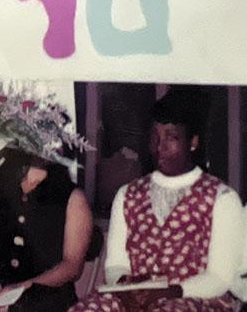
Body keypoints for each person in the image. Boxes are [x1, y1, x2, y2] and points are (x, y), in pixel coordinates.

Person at [70, 89, 243, 311]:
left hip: (194, 298)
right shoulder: (127, 195)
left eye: (172, 137)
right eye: (155, 136)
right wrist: (128, 287)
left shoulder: (222, 198)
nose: (160, 147)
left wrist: (167, 292)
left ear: (193, 141)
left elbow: (219, 278)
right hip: (133, 298)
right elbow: (116, 265)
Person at [0, 146, 93, 312]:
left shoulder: (73, 197)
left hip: (48, 302)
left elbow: (72, 267)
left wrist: (24, 287)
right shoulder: (1, 189)